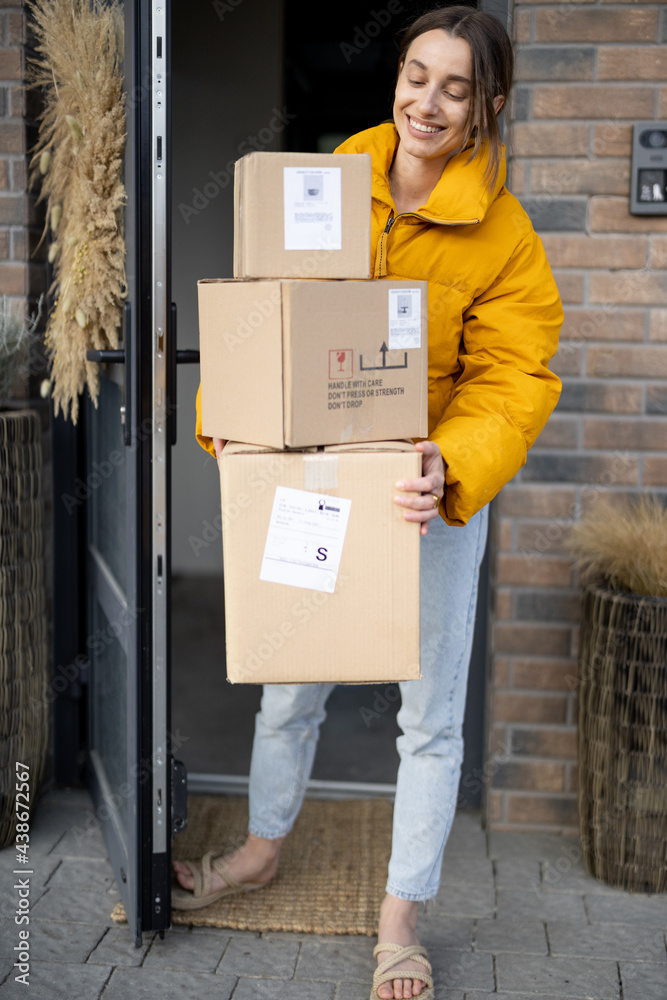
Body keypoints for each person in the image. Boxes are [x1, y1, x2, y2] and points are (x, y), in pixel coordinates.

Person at [181, 7, 563, 999]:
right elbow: (260, 295)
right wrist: (231, 423)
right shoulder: (334, 179)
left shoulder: (505, 236)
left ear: (488, 104)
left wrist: (450, 462)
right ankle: (262, 846)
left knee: (428, 716)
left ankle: (400, 920)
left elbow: (515, 379)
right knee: (287, 676)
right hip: (316, 476)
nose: (425, 100)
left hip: (415, 494)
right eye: (413, 74)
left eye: (452, 85)